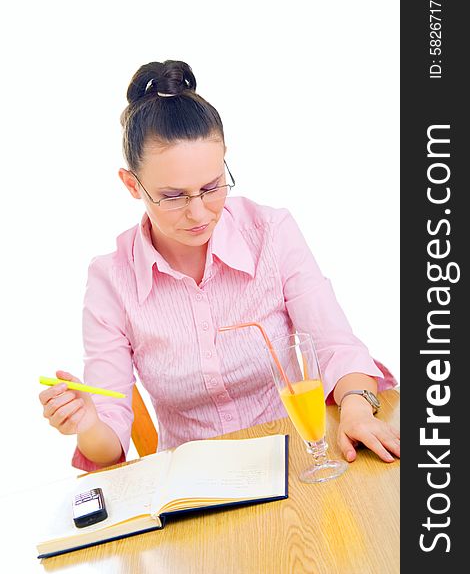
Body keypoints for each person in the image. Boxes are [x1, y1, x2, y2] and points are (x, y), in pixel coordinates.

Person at [39, 60, 400, 472]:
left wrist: (356, 409)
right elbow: (108, 440)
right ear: (131, 184)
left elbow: (337, 347)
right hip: (197, 489)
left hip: (303, 457)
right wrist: (86, 421)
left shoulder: (271, 232)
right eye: (173, 196)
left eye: (211, 187)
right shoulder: (111, 280)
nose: (198, 213)